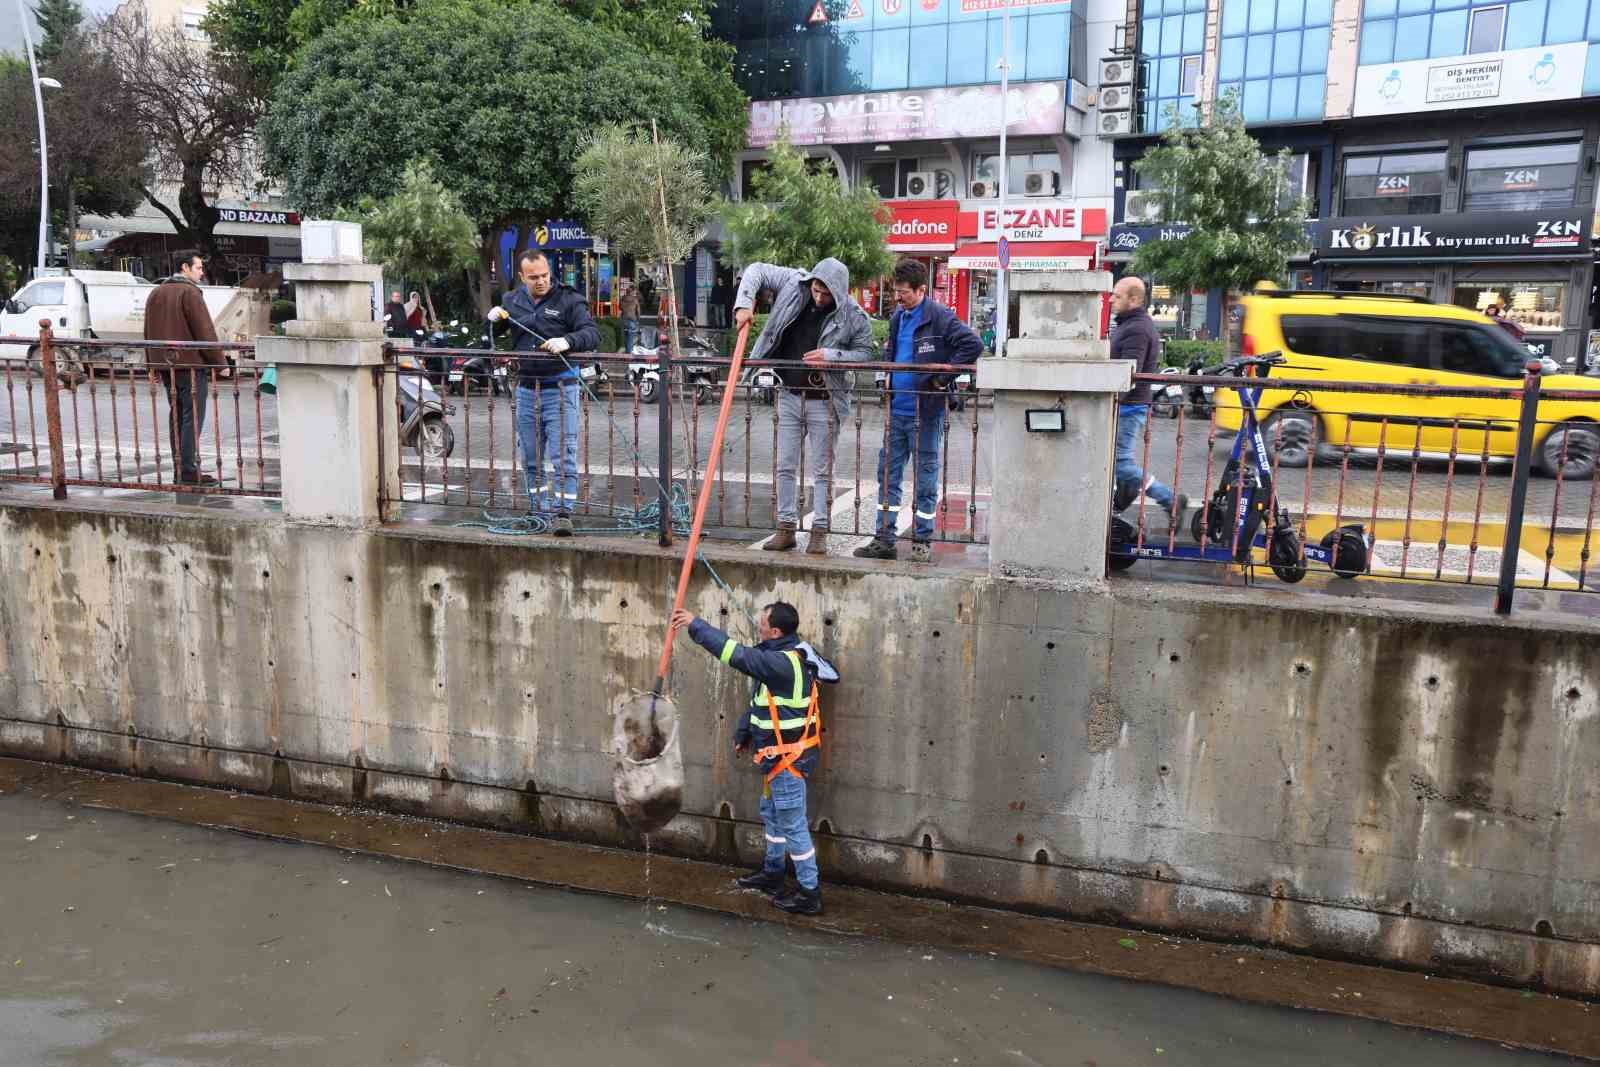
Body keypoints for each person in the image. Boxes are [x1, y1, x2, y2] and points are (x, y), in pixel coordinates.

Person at [670, 602, 839, 916]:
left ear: (776, 631)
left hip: (789, 761)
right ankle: (773, 874)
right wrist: (745, 730)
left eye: (762, 624)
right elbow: (763, 700)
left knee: (792, 825)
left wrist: (695, 625)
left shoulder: (781, 663)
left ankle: (809, 893)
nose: (758, 627)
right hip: (775, 759)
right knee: (773, 816)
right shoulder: (787, 655)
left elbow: (736, 655)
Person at [734, 258, 876, 555]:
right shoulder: (792, 282)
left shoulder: (854, 315)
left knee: (823, 470)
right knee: (784, 465)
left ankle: (819, 531)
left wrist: (832, 355)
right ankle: (785, 528)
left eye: (826, 294)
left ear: (839, 291)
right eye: (816, 289)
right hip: (789, 394)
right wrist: (743, 304)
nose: (819, 297)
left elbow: (864, 354)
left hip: (824, 399)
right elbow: (756, 270)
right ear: (811, 281)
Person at [854, 259, 982, 563]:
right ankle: (884, 538)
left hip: (925, 411)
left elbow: (972, 344)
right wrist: (886, 379)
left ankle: (922, 540)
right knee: (887, 476)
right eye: (896, 292)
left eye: (904, 293)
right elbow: (892, 350)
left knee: (925, 478)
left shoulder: (940, 317)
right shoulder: (899, 316)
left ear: (922, 290)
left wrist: (940, 378)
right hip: (896, 411)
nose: (898, 298)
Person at [488, 250, 600, 536]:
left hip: (561, 388)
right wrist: (494, 320)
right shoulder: (512, 301)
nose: (541, 281)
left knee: (563, 454)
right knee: (529, 455)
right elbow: (493, 333)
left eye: (545, 275)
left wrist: (568, 340)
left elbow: (592, 333)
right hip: (526, 388)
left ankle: (564, 513)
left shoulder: (569, 299)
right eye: (534, 277)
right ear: (523, 277)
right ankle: (537, 509)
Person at [144, 250, 226, 486]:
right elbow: (204, 330)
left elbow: (148, 331)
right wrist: (220, 363)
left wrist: (152, 365)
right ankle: (188, 471)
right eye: (199, 268)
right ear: (185, 268)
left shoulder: (156, 292)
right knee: (192, 416)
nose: (202, 272)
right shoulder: (189, 292)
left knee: (177, 416)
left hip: (166, 364)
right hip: (189, 363)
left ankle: (181, 469)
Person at [1110, 276, 1186, 525]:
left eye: (1117, 296)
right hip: (1126, 405)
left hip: (1129, 407)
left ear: (1133, 300)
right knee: (1118, 462)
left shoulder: (1137, 329)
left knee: (1120, 464)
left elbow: (1130, 374)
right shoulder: (1128, 325)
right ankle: (1118, 505)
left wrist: (1111, 401)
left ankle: (1169, 499)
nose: (1111, 300)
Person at [619, 278, 641, 352]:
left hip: (624, 319)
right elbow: (638, 311)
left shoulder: (622, 298)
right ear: (631, 292)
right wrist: (638, 319)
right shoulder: (635, 300)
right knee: (630, 337)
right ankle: (629, 352)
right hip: (632, 319)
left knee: (626, 336)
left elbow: (620, 307)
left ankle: (627, 350)